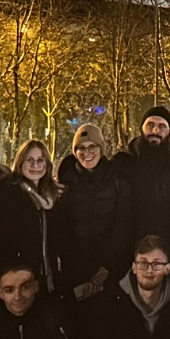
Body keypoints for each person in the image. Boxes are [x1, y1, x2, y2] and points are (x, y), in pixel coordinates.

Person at [51, 123, 134, 313]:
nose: (86, 153)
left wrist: (104, 270)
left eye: (92, 147)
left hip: (111, 270)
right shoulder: (64, 184)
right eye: (81, 147)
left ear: (101, 149)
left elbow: (123, 227)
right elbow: (62, 231)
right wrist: (84, 271)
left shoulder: (118, 181)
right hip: (75, 272)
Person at [112, 106, 170, 287]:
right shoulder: (123, 163)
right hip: (132, 252)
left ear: (169, 132)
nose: (156, 131)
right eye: (150, 125)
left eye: (162, 126)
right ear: (141, 129)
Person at [0, 140, 60, 289]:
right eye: (30, 161)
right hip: (20, 276)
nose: (35, 166)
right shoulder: (9, 191)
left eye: (40, 161)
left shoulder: (50, 194)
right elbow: (0, 237)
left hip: (48, 274)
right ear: (20, 163)